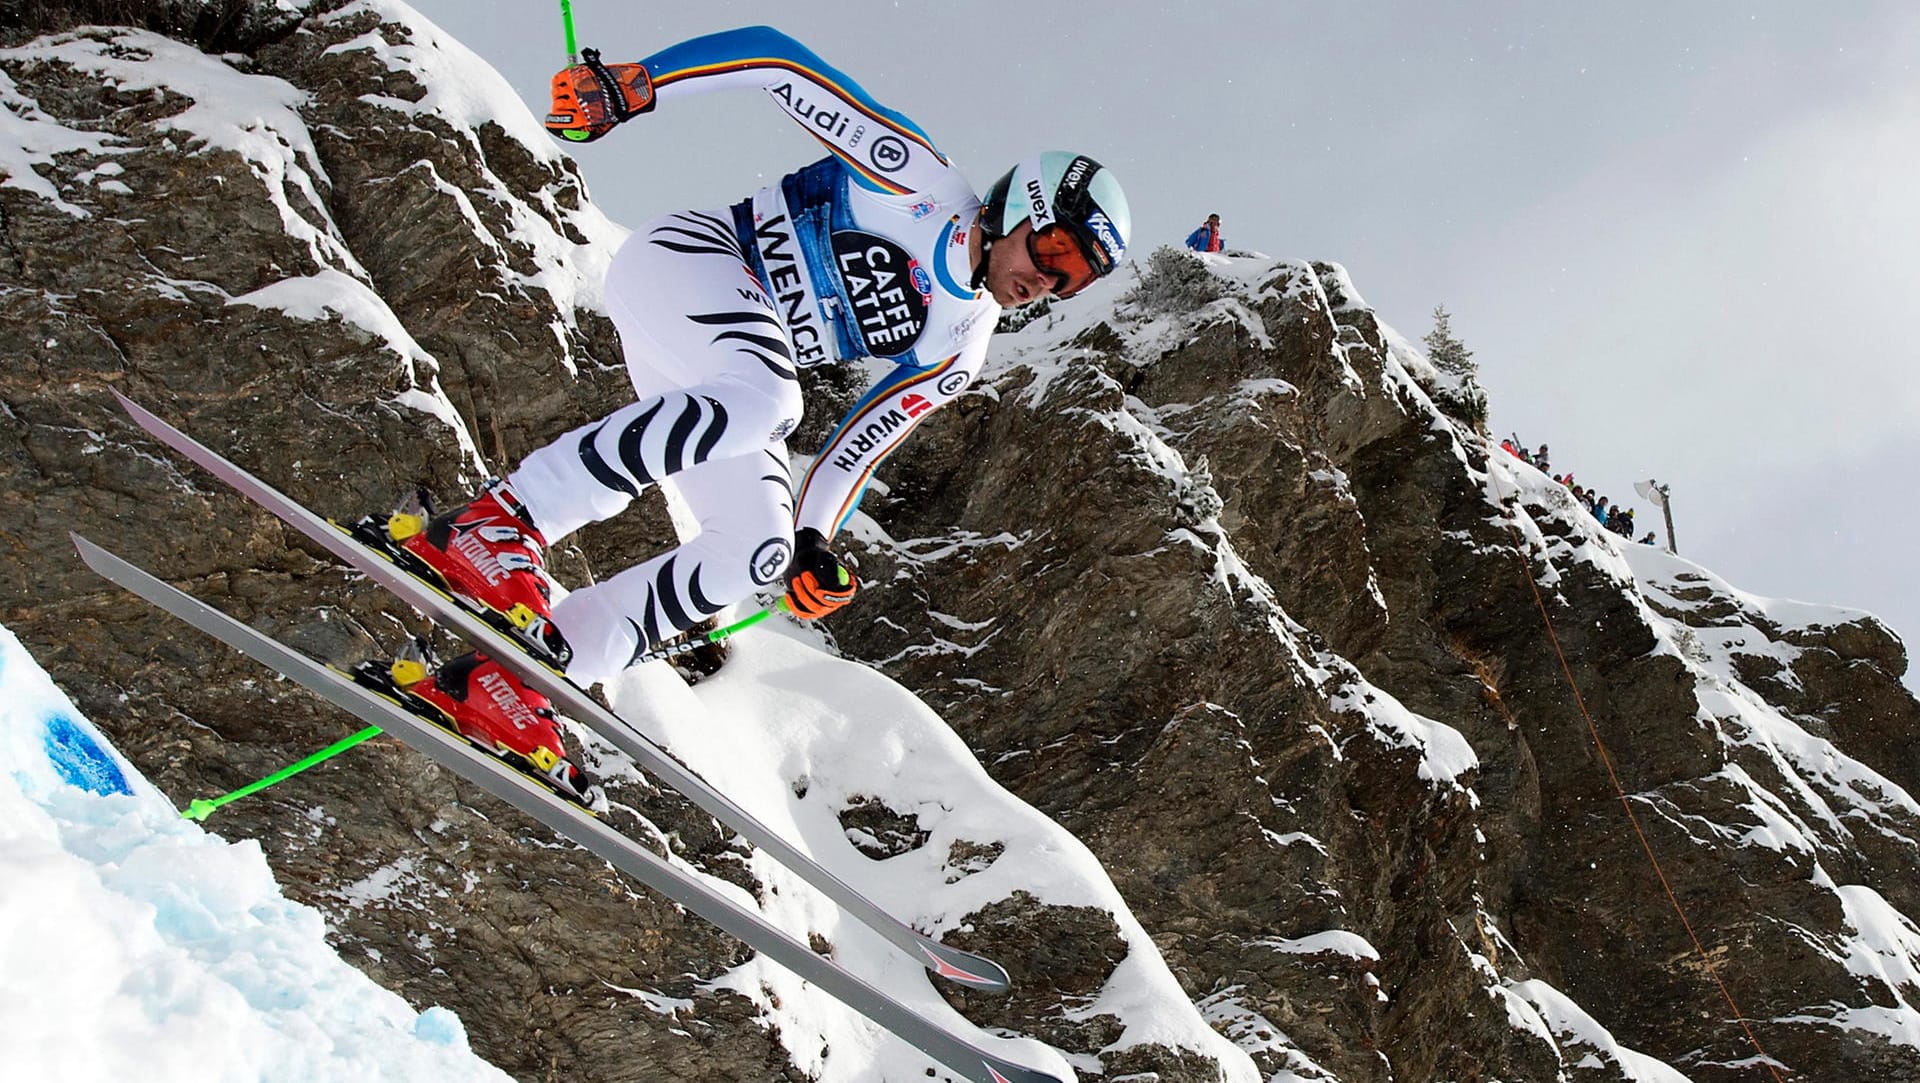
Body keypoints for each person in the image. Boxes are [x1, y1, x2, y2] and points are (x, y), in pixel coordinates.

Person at [365, 26, 1133, 792]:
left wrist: (812, 541)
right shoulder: (914, 175)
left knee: (753, 552)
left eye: (1075, 282)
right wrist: (639, 84)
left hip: (720, 374)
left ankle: (509, 681)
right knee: (772, 398)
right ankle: (501, 522)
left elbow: (858, 448)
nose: (1051, 284)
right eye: (1057, 253)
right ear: (1021, 206)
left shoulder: (960, 345)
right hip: (691, 264)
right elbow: (777, 63)